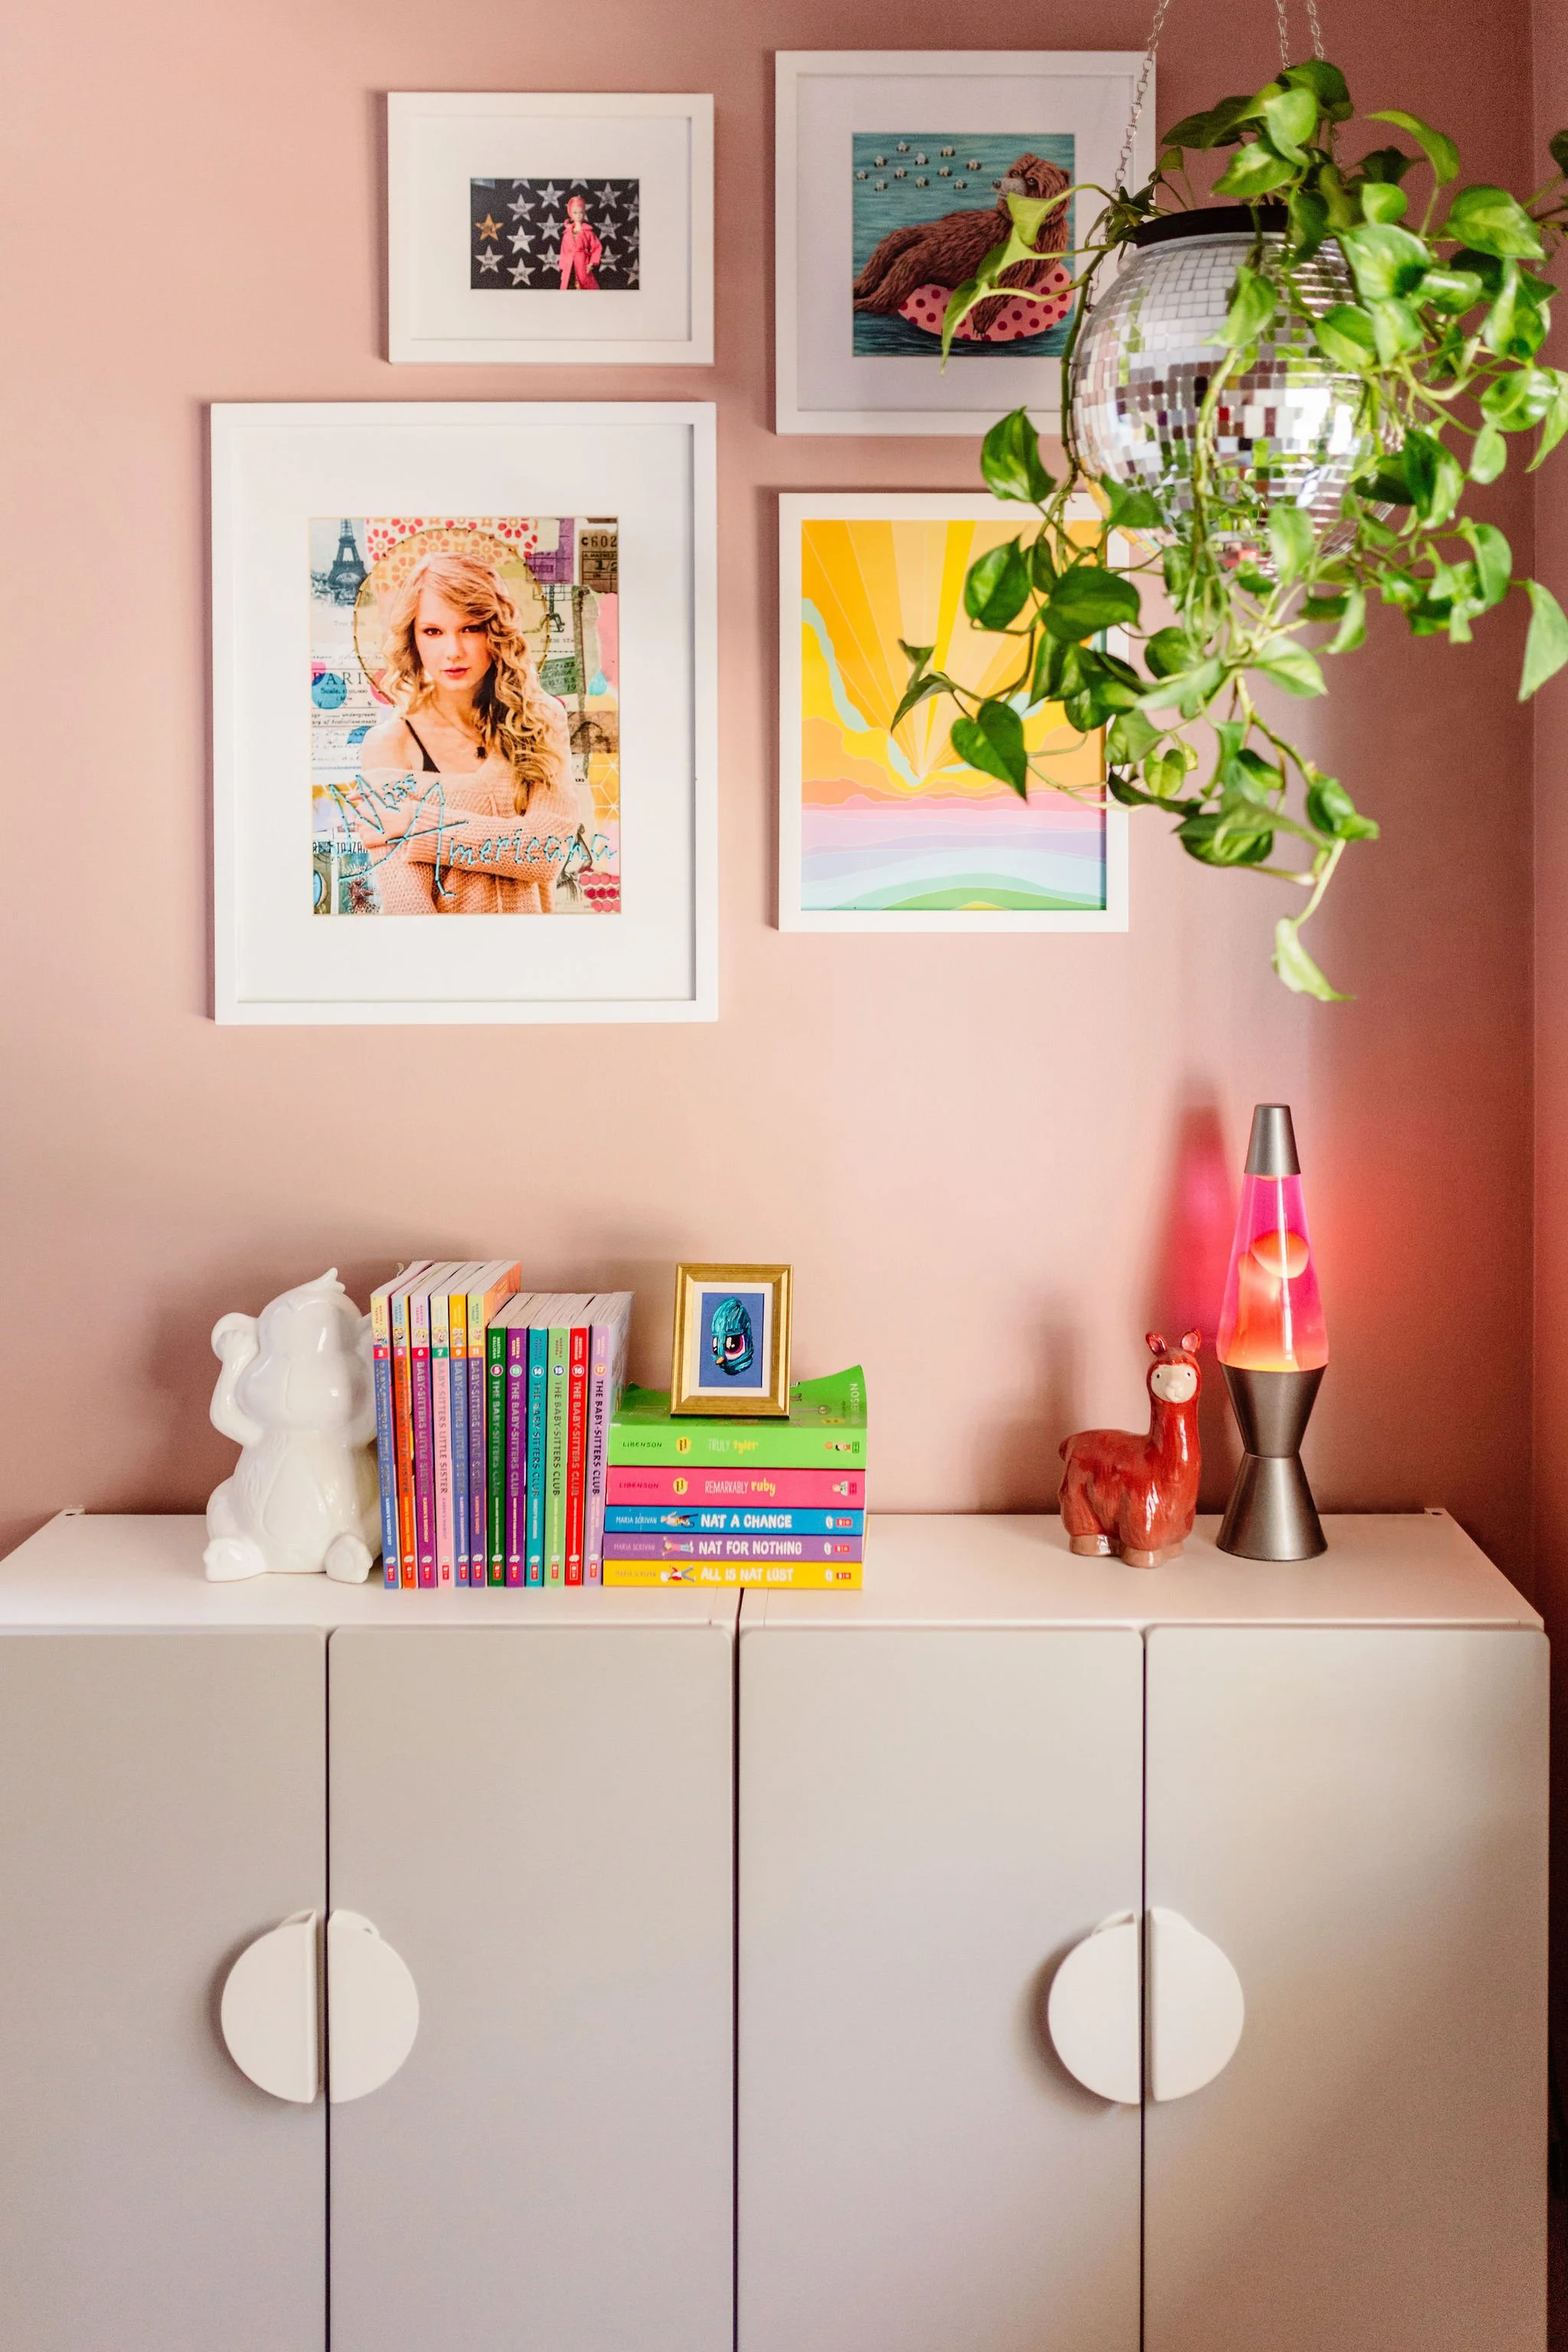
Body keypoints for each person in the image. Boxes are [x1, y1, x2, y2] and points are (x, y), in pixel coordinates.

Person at [354, 551, 582, 913]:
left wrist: (419, 824)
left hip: (535, 958)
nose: (453, 651)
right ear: (412, 638)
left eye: (470, 628)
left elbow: (546, 853)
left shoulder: (540, 721)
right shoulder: (388, 745)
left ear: (495, 631)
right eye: (433, 631)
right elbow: (408, 907)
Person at [557, 194, 602, 291]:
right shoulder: (567, 233)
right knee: (568, 287)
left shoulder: (588, 231)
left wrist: (591, 263)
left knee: (585, 286)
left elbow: (597, 247)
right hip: (569, 267)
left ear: (584, 213)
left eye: (581, 212)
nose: (578, 215)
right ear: (571, 214)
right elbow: (564, 252)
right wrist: (563, 269)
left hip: (582, 263)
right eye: (575, 213)